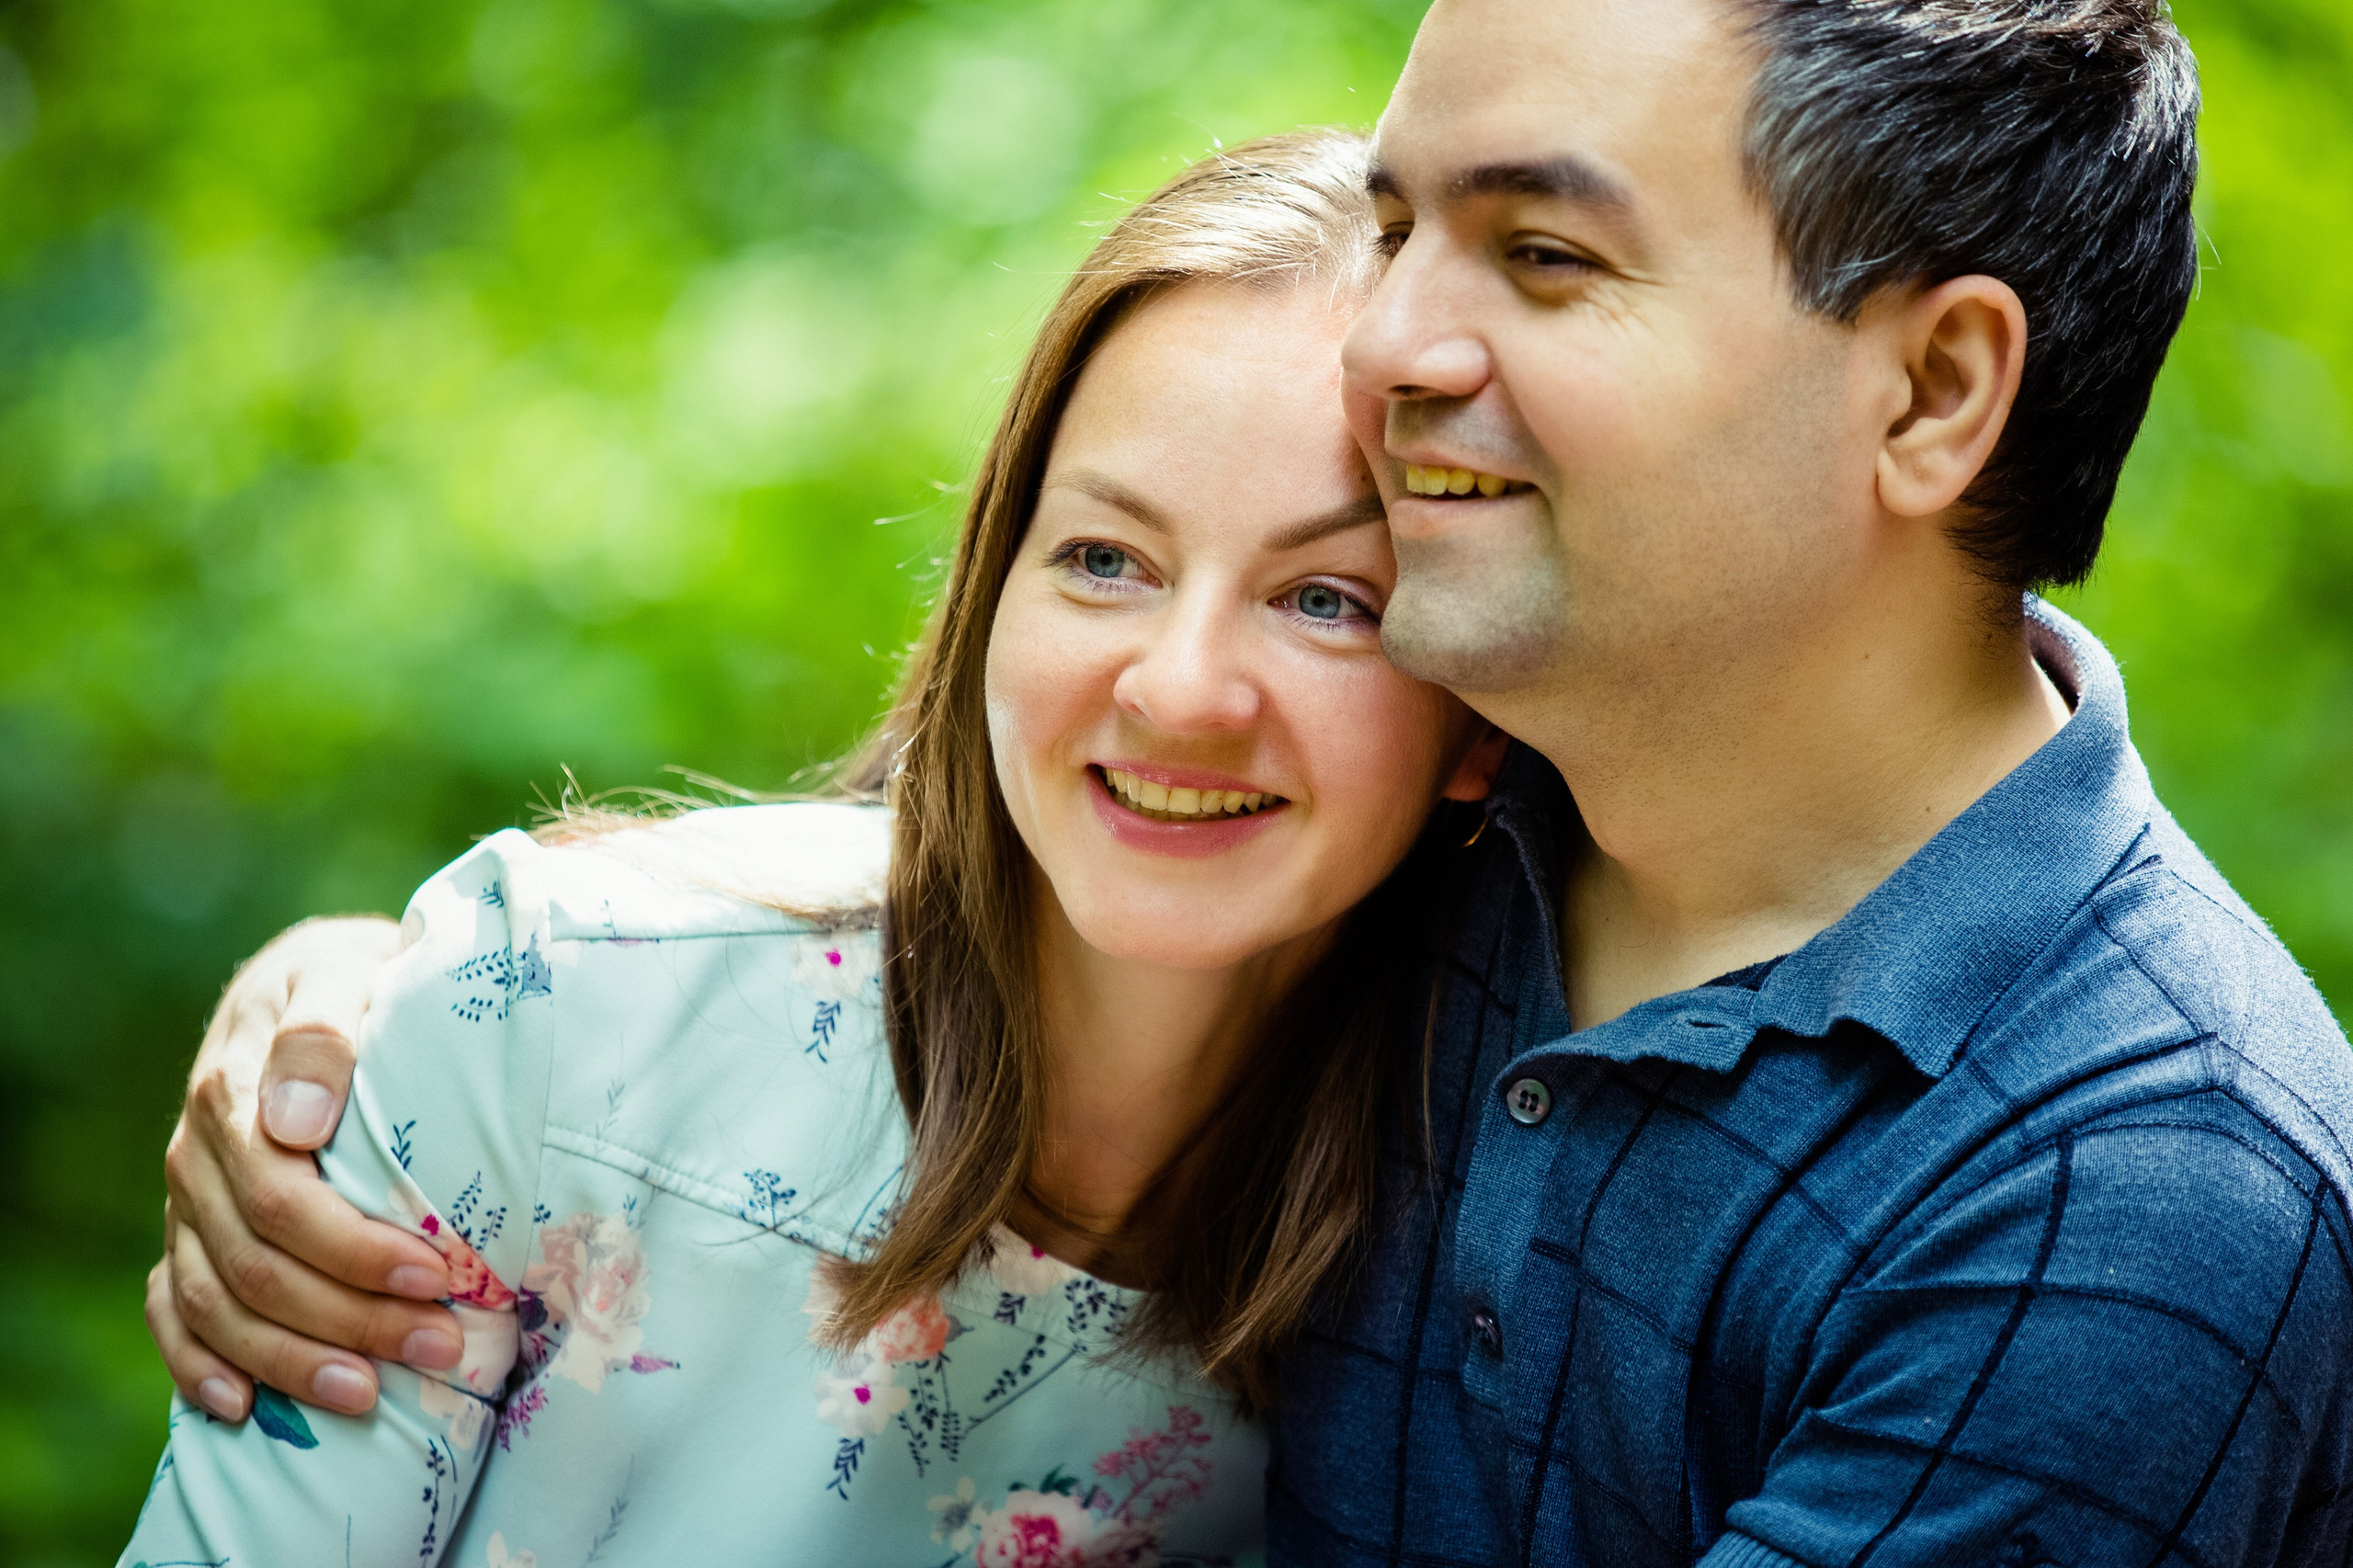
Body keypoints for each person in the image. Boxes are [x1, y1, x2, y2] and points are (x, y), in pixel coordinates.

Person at [147, 1, 2353, 1564]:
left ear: (1937, 388)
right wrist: (386, 999)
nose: (1390, 338)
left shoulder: (2121, 1193)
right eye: (1401, 224)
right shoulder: (1465, 854)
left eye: (1545, 251)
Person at [120, 130, 1509, 1567]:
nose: (1178, 687)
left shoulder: (1498, 1270)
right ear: (994, 590)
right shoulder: (546, 1018)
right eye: (1105, 558)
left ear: (1485, 713)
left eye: (1330, 599)